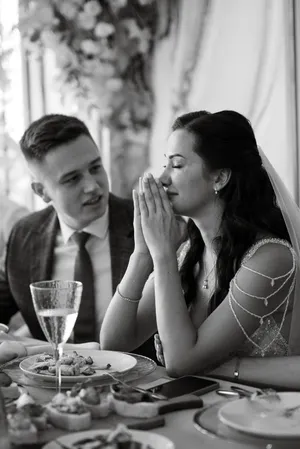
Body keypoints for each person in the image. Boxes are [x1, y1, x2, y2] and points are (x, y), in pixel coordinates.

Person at [100, 110, 300, 389]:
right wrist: (142, 253)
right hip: (201, 408)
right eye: (165, 165)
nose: (162, 179)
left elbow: (180, 363)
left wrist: (163, 256)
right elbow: (113, 345)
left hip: (264, 418)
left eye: (177, 165)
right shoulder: (187, 254)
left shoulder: (269, 258)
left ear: (219, 178)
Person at [0, 113, 156, 360]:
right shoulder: (25, 234)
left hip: (139, 384)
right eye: (72, 179)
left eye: (95, 168)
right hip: (53, 384)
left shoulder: (150, 225)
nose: (93, 186)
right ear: (42, 191)